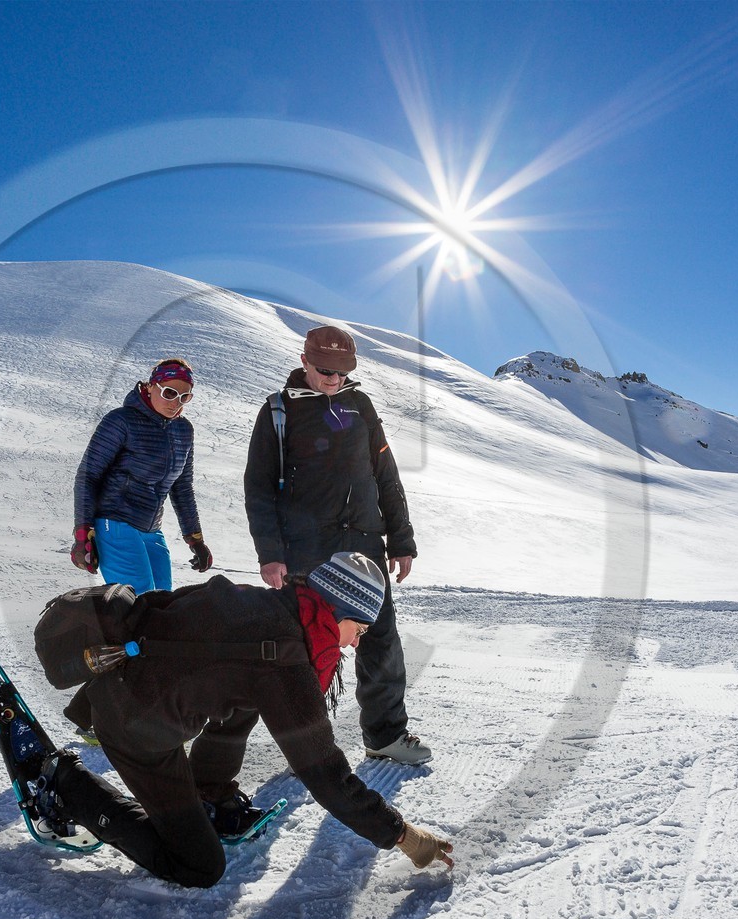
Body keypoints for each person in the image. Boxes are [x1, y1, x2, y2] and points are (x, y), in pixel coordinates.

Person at [48, 552, 453, 888]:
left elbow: (162, 606)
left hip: (124, 689)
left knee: (247, 692)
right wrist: (401, 834)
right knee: (199, 866)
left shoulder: (264, 603)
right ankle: (67, 785)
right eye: (359, 628)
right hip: (136, 729)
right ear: (336, 612)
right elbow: (326, 775)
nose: (356, 642)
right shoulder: (286, 660)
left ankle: (209, 791)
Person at [243, 325, 430, 765]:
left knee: (381, 641)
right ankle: (306, 747)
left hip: (365, 540)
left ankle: (385, 737)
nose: (334, 379)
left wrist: (401, 540)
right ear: (304, 360)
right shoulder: (278, 410)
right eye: (325, 370)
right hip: (310, 547)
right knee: (311, 647)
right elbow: (259, 486)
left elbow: (386, 475)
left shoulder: (359, 405)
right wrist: (270, 553)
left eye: (343, 371)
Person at [70, 358, 212, 592]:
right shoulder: (121, 421)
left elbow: (182, 487)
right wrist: (83, 532)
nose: (175, 402)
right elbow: (88, 476)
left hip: (151, 530)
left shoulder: (183, 429)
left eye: (184, 397)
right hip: (114, 524)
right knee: (141, 603)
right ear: (150, 386)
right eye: (169, 393)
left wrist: (195, 539)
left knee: (164, 602)